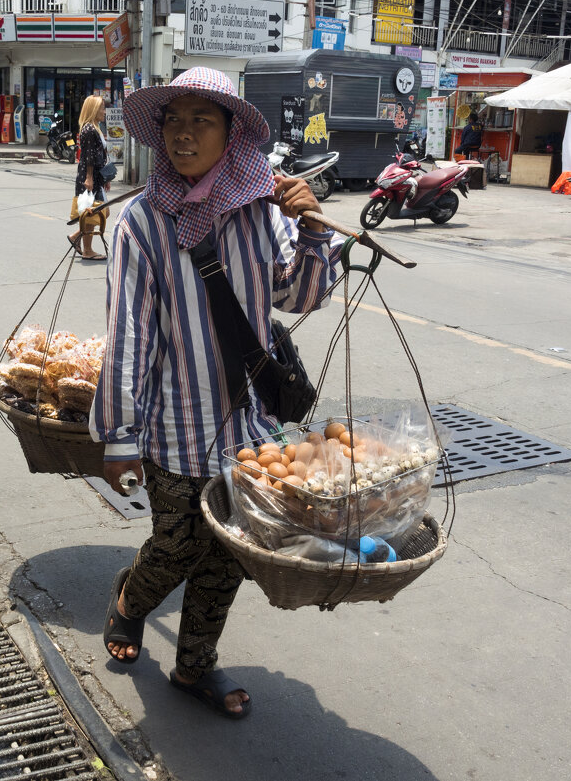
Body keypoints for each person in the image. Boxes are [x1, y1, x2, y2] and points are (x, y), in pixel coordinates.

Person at [91, 67, 342, 719]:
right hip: (173, 428)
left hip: (249, 435)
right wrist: (118, 437)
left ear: (231, 134)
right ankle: (129, 601)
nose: (184, 134)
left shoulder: (262, 210)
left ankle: (193, 665)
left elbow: (301, 295)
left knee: (226, 560)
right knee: (173, 549)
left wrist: (315, 227)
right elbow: (129, 339)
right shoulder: (141, 224)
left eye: (202, 120)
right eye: (174, 120)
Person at [68, 95, 110, 260]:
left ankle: (77, 238)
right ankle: (87, 249)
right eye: (102, 108)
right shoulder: (89, 130)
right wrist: (90, 178)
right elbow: (89, 157)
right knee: (95, 212)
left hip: (97, 177)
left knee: (98, 212)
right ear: (93, 109)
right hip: (89, 177)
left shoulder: (96, 128)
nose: (104, 112)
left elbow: (100, 155)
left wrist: (105, 178)